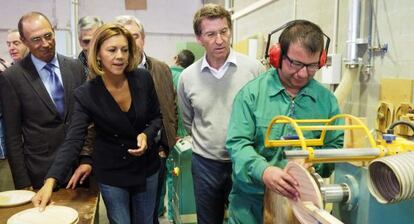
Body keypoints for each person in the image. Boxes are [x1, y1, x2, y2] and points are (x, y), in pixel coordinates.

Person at [32, 23, 163, 224]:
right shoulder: (87, 94)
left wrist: (147, 134)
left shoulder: (143, 78)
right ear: (98, 54)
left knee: (146, 220)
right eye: (112, 50)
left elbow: (156, 117)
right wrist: (50, 181)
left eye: (124, 50)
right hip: (112, 171)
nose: (119, 56)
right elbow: (74, 140)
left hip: (146, 168)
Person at [225, 20, 344, 223]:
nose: (303, 73)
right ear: (278, 56)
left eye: (312, 66)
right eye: (295, 63)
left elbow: (335, 147)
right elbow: (237, 144)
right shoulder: (252, 95)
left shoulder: (327, 101)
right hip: (251, 204)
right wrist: (264, 171)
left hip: (301, 205)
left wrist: (313, 164)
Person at [177, 4, 264, 224]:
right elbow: (188, 120)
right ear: (199, 38)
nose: (219, 40)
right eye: (211, 34)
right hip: (205, 164)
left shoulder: (253, 70)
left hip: (245, 161)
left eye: (224, 32)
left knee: (247, 219)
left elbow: (262, 114)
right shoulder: (188, 77)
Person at [0, 12, 86, 190]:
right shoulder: (12, 78)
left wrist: (87, 159)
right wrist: (23, 182)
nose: (45, 44)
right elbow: (13, 135)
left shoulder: (75, 67)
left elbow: (86, 118)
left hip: (80, 169)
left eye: (48, 36)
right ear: (24, 41)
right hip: (40, 171)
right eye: (36, 39)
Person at [113, 15, 178, 224]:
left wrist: (165, 146)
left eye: (135, 36)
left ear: (144, 38)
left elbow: (170, 107)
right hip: (119, 159)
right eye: (125, 37)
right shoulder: (109, 72)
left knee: (149, 214)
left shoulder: (160, 69)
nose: (131, 43)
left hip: (155, 154)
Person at [158, 49, 195, 221]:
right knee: (177, 175)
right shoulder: (192, 77)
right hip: (186, 136)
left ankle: (158, 209)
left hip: (164, 133)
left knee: (160, 175)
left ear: (176, 59)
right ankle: (174, 215)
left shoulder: (164, 74)